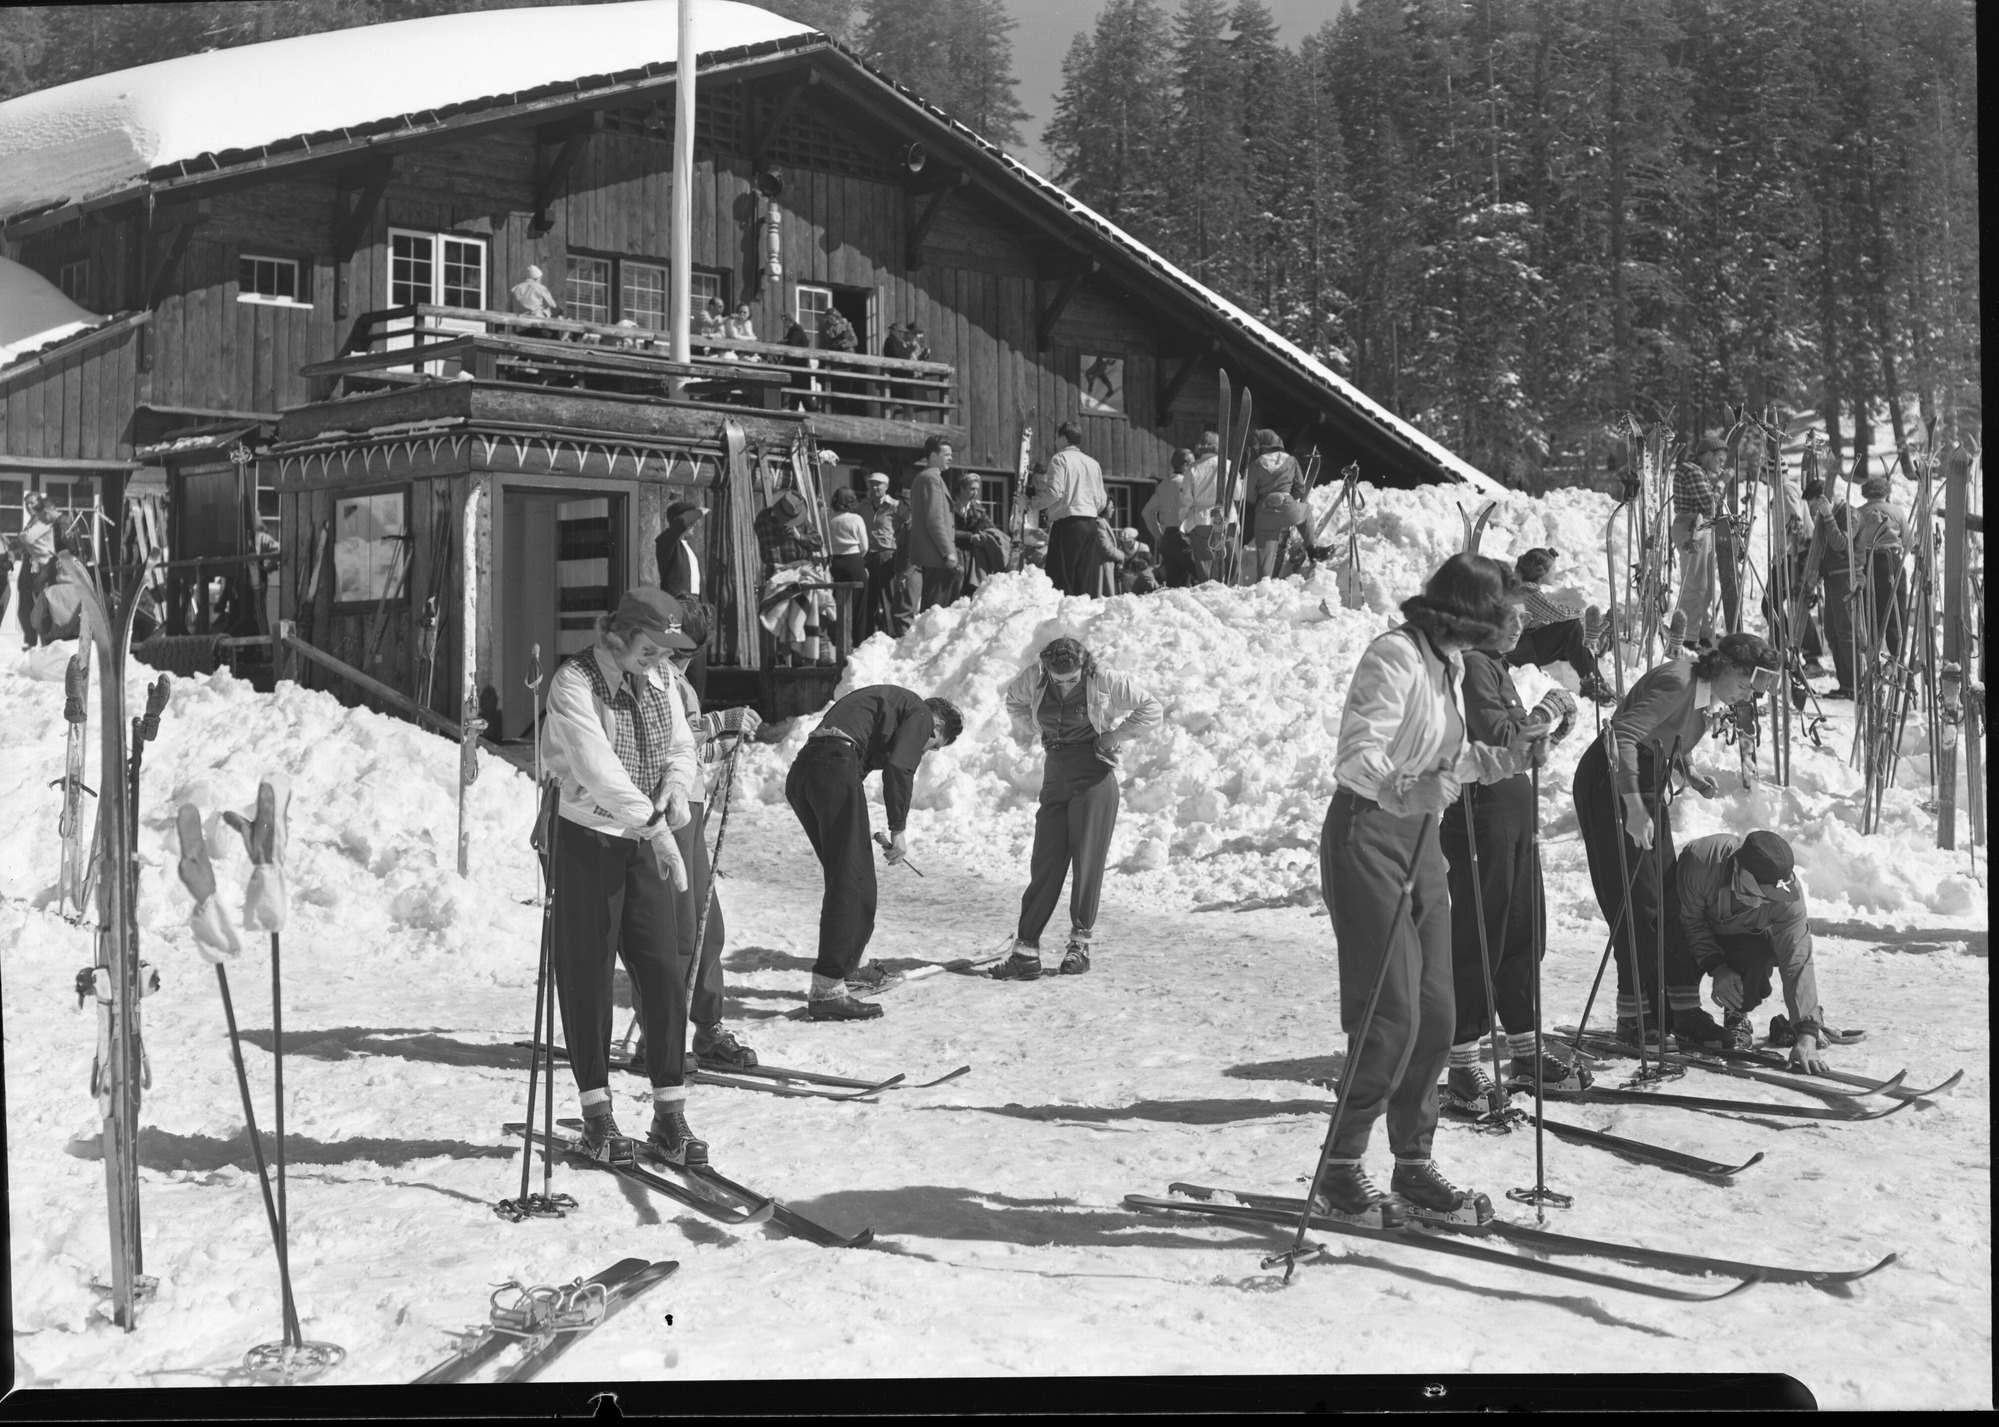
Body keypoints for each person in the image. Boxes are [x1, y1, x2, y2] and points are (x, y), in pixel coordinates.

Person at [1310, 554, 1548, 1228]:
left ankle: (1411, 1163)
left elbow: (1444, 762)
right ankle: (1339, 1166)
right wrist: (1401, 786)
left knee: (1437, 1014)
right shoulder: (1394, 655)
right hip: (1367, 835)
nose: (1518, 621)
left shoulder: (1447, 664)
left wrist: (1502, 757)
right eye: (1509, 608)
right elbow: (1358, 753)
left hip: (1422, 844)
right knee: (1389, 1016)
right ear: (1476, 612)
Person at [539, 588, 702, 1166]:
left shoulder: (660, 681)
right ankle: (597, 1117)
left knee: (662, 966)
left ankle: (669, 1112)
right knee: (587, 972)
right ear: (619, 634)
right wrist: (653, 827)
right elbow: (595, 767)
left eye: (666, 650)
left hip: (642, 835)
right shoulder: (575, 682)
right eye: (650, 645)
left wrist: (677, 787)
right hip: (586, 838)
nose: (659, 659)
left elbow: (683, 743)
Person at [1572, 631, 1779, 1052]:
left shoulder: (1703, 692)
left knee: (1668, 897)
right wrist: (1631, 807)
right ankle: (1636, 1015)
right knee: (1636, 901)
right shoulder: (1679, 682)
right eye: (1743, 685)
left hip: (1647, 779)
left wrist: (1687, 768)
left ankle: (1680, 1010)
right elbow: (1623, 736)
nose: (1745, 696)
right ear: (1724, 667)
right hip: (1612, 782)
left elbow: (1667, 731)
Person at [1438, 582, 1590, 1112]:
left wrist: (1553, 725)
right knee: (1485, 935)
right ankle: (1463, 1064)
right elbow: (1502, 735)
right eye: (1511, 618)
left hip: (1511, 815)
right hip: (1483, 816)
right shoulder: (1475, 664)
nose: (1522, 627)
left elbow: (1527, 746)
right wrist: (1547, 712)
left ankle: (1524, 1047)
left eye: (1525, 618)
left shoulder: (1495, 666)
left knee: (1523, 931)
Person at [785, 685, 964, 1021]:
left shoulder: (888, 710)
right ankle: (829, 989)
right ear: (937, 727)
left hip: (806, 771)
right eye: (933, 745)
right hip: (833, 765)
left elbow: (857, 762)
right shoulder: (922, 714)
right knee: (855, 883)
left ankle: (845, 969)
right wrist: (898, 830)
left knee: (846, 876)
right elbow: (900, 766)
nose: (925, 749)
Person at [992, 636, 1162, 979]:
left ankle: (1079, 947)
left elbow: (1152, 709)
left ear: (1084, 666)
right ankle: (1026, 951)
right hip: (1055, 772)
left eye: (1072, 678)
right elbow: (1014, 701)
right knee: (1045, 860)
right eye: (1058, 680)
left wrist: (1113, 737)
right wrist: (1036, 728)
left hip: (1093, 775)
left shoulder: (1104, 679)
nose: (1065, 684)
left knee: (1087, 863)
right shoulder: (1036, 676)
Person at [1676, 830, 1829, 1070]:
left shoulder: (1789, 899)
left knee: (1758, 954)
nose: (1759, 904)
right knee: (1670, 940)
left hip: (1745, 939)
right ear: (1737, 867)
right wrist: (1717, 967)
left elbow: (1797, 959)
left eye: (1768, 899)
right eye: (1754, 894)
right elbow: (1689, 923)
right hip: (1694, 930)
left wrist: (1807, 1032)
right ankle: (1682, 1015)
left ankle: (1737, 1014)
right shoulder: (1701, 863)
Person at [1506, 547, 1615, 705]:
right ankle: (1592, 682)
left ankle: (1593, 679)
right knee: (1571, 626)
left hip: (1522, 647)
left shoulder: (1525, 588)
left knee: (1573, 631)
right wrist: (1583, 615)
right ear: (1540, 571)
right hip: (1520, 650)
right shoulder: (1529, 592)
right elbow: (1558, 613)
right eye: (1554, 569)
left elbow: (1551, 616)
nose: (1556, 572)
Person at [1035, 422, 1110, 598]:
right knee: (1081, 578)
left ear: (1062, 438)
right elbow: (1102, 500)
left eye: (1056, 438)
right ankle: (1078, 617)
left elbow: (1054, 492)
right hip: (1091, 522)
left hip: (1068, 522)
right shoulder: (1093, 463)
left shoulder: (1060, 458)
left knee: (1060, 579)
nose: (1055, 442)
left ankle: (1061, 620)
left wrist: (1032, 503)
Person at [1669, 431, 1727, 648]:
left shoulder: (1700, 471)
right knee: (1695, 585)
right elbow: (1708, 503)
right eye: (1719, 459)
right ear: (1708, 454)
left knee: (1708, 586)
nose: (1721, 465)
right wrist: (1721, 483)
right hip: (1692, 527)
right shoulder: (1692, 470)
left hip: (1702, 526)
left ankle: (1702, 631)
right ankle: (1685, 636)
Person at [1803, 478, 1857, 698]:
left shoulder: (1848, 514)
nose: (1815, 509)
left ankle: (1852, 685)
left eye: (1816, 504)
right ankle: (1845, 683)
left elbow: (1841, 544)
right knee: (1832, 633)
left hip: (1846, 578)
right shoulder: (1827, 518)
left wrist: (1827, 515)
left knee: (1845, 633)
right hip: (1832, 580)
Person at [1244, 430, 1322, 581]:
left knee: (1265, 554)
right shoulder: (1291, 460)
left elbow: (1250, 496)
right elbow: (1300, 490)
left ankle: (1263, 583)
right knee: (1306, 511)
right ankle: (1311, 548)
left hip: (1264, 513)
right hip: (1288, 509)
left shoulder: (1255, 465)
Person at [654, 500, 709, 696]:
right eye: (691, 520)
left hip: (694, 612)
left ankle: (696, 714)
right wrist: (698, 512)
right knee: (677, 661)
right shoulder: (667, 543)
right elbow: (679, 526)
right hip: (677, 612)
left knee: (697, 667)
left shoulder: (688, 548)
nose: (694, 525)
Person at [1852, 474, 1907, 662]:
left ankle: (1870, 659)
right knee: (1895, 612)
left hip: (1867, 564)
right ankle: (1897, 658)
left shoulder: (1858, 512)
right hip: (1892, 563)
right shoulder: (1896, 511)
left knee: (1869, 612)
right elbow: (1909, 541)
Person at [905, 437, 959, 612]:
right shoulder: (931, 478)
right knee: (935, 612)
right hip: (936, 556)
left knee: (933, 612)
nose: (950, 458)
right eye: (947, 454)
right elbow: (934, 520)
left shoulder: (929, 477)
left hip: (933, 556)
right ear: (934, 455)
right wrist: (947, 552)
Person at [1140, 448, 1198, 588]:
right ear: (1185, 466)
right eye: (1193, 465)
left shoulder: (1164, 485)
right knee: (1209, 579)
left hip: (1168, 540)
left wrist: (1159, 536)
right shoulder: (1187, 484)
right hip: (1185, 538)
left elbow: (1147, 512)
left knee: (1176, 588)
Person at [860, 473, 904, 640]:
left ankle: (892, 637)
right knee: (868, 598)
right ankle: (868, 638)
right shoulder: (863, 506)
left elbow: (906, 526)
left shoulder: (894, 506)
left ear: (886, 486)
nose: (874, 488)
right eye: (871, 484)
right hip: (867, 556)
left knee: (888, 597)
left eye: (878, 484)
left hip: (886, 554)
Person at [950, 470, 1007, 599]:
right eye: (971, 489)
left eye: (977, 489)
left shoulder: (979, 510)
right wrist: (970, 537)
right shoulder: (949, 506)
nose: (975, 493)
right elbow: (945, 531)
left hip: (973, 557)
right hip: (952, 553)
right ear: (961, 488)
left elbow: (990, 529)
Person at [827, 486, 870, 633]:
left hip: (834, 562)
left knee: (837, 603)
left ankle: (837, 638)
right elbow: (864, 546)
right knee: (859, 605)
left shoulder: (827, 519)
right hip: (854, 560)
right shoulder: (856, 519)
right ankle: (858, 641)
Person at [1183, 431, 1224, 583]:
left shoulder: (1193, 468)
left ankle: (1209, 590)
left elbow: (1186, 498)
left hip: (1200, 517)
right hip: (1225, 516)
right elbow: (1238, 494)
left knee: (1205, 562)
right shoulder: (1227, 464)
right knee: (1227, 558)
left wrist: (1184, 519)